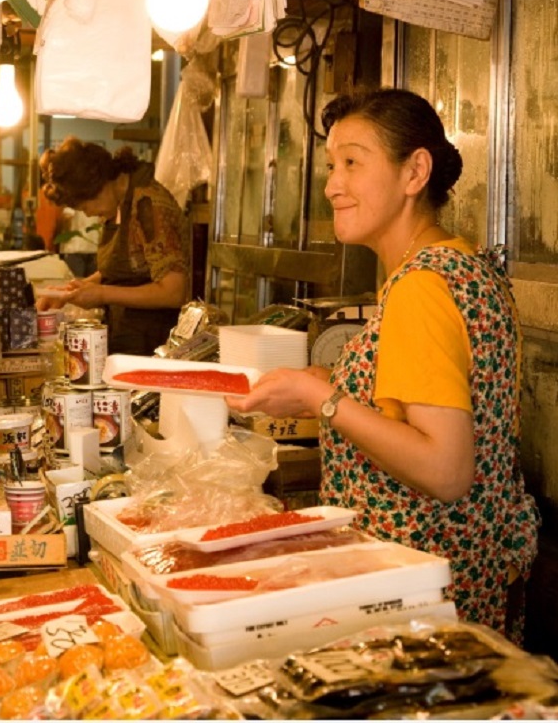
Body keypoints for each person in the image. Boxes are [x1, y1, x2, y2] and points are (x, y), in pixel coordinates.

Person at [227, 89, 539, 643]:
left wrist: (324, 400)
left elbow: (445, 470)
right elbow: (416, 404)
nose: (331, 185)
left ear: (415, 170)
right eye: (329, 165)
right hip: (463, 576)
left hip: (425, 596)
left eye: (352, 161)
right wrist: (322, 384)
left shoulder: (420, 287)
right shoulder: (461, 265)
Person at [38, 137, 189, 355]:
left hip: (154, 345)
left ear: (99, 185)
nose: (88, 213)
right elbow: (128, 267)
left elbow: (174, 291)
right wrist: (74, 289)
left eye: (85, 206)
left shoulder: (149, 205)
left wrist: (102, 294)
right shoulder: (120, 203)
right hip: (127, 338)